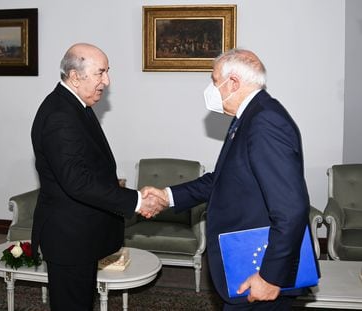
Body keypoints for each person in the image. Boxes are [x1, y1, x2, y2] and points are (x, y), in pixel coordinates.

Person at [142, 48, 317, 310]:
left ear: (233, 82)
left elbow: (291, 209)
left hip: (260, 270)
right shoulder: (248, 117)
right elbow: (221, 180)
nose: (211, 88)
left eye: (214, 80)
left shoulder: (264, 121)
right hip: (245, 264)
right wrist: (167, 196)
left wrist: (270, 277)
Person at [30, 43, 165, 311]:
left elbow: (86, 166)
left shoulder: (75, 105)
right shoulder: (60, 115)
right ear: (75, 75)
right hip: (69, 238)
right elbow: (77, 182)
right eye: (100, 73)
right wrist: (137, 201)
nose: (107, 81)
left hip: (80, 235)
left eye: (107, 72)